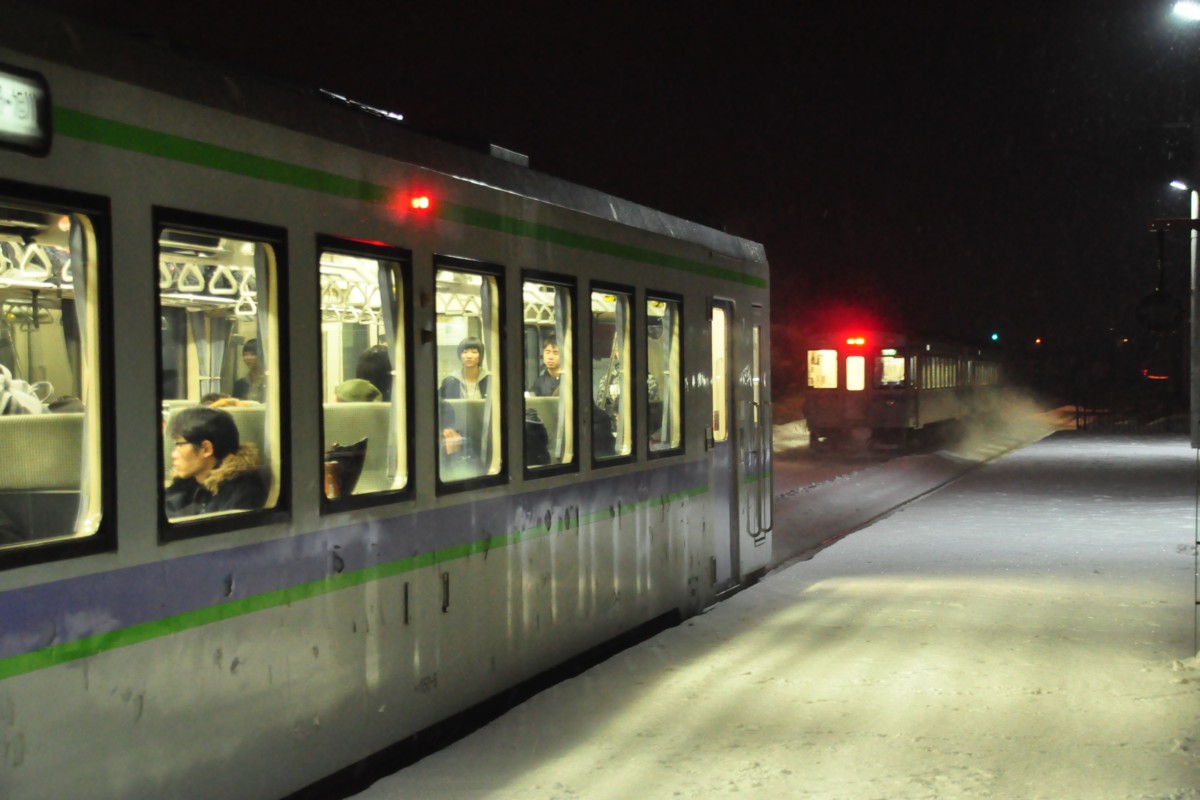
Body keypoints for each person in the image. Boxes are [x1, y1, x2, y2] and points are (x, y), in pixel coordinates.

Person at [164, 406, 267, 518]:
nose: (173, 455)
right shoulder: (187, 483)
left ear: (206, 449)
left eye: (180, 445)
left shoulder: (242, 491)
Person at [439, 337, 489, 457]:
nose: (469, 356)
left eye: (474, 352)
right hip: (458, 431)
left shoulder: (490, 380)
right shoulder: (450, 381)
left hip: (486, 429)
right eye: (464, 352)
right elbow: (439, 406)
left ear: (480, 356)